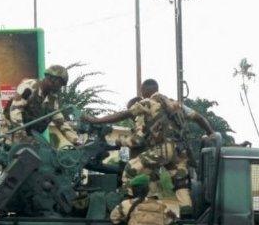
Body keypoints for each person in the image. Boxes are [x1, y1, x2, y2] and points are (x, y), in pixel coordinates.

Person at [84, 79, 215, 214]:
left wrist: (96, 120)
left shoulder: (148, 102)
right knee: (180, 184)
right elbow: (199, 117)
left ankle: (128, 206)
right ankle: (186, 215)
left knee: (130, 169)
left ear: (144, 91)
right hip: (181, 151)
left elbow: (124, 115)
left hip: (164, 148)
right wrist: (210, 133)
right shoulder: (176, 105)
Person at [5, 64, 80, 149]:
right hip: (11, 130)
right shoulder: (29, 86)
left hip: (28, 135)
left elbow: (60, 122)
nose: (59, 88)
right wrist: (22, 134)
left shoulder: (52, 99)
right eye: (59, 84)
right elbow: (15, 111)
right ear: (51, 79)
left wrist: (76, 140)